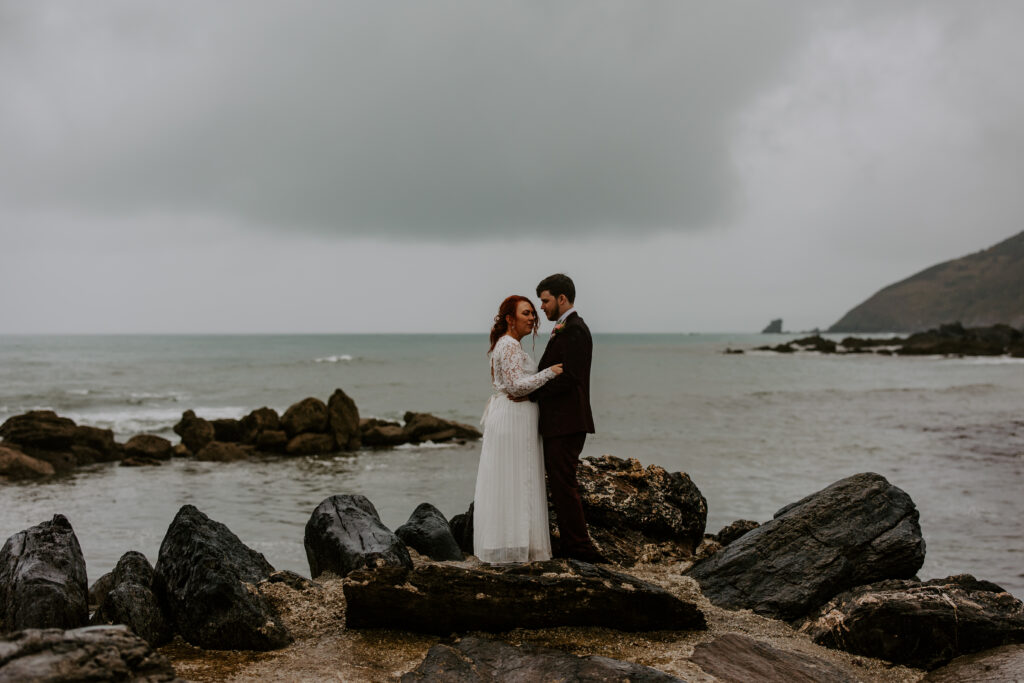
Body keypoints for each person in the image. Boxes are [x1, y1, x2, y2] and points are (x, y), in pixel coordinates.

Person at [473, 295, 563, 564]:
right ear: (510, 319)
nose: (532, 318)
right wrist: (550, 373)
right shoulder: (510, 345)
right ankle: (513, 546)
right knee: (516, 478)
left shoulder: (506, 344)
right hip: (512, 419)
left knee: (511, 479)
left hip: (512, 417)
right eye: (526, 313)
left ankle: (512, 543)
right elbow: (515, 386)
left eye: (533, 313)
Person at [527, 273, 606, 564]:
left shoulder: (575, 329)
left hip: (567, 421)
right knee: (561, 484)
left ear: (562, 298)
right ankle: (573, 545)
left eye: (545, 301)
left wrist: (533, 391)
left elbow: (570, 377)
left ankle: (580, 548)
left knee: (564, 484)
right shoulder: (566, 328)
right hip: (562, 421)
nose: (541, 307)